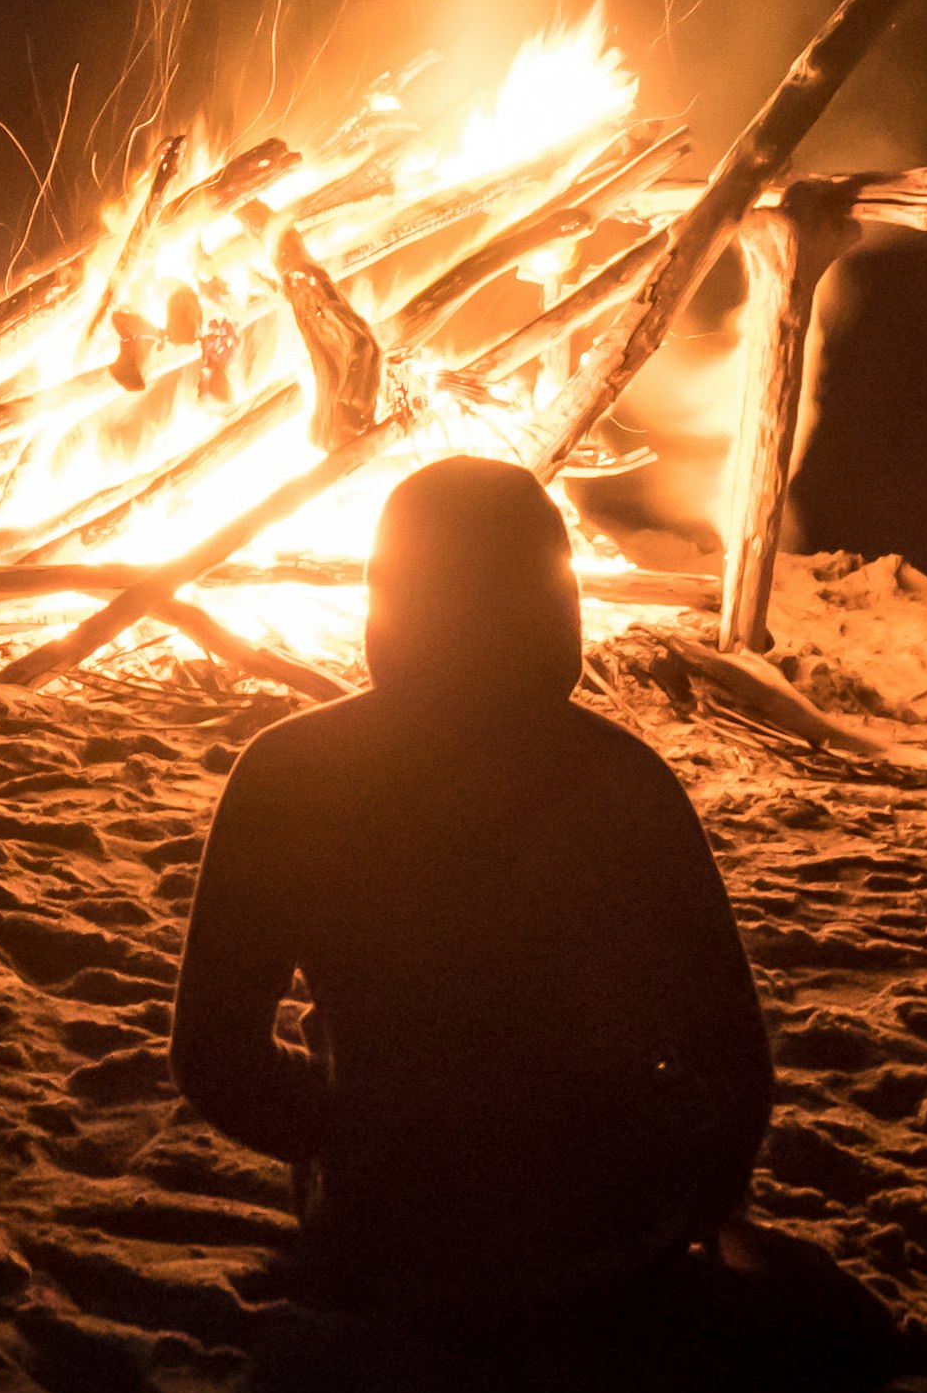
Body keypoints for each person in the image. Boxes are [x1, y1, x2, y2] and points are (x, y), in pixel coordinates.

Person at [170, 455, 775, 1308]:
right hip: (605, 1231)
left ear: (388, 599)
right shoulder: (628, 782)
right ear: (553, 605)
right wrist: (683, 1198)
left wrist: (355, 1138)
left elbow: (211, 1056)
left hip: (390, 1228)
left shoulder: (291, 775)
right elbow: (734, 1060)